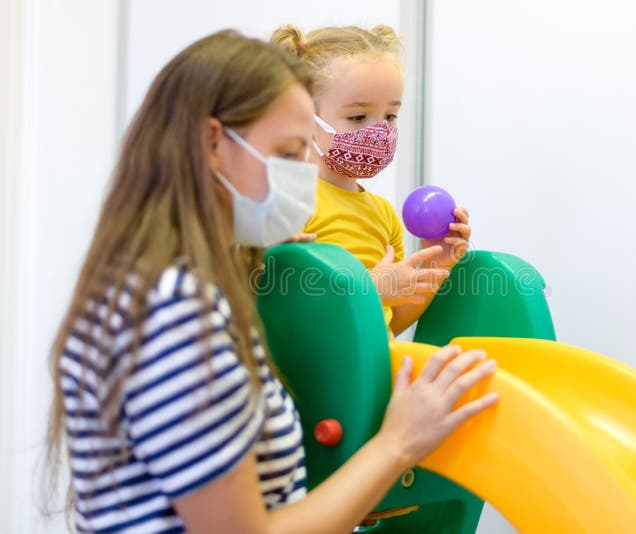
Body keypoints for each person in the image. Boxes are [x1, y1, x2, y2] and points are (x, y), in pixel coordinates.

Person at [45, 30, 498, 533]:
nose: (304, 176)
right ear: (215, 144)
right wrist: (397, 445)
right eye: (287, 154)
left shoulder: (174, 294)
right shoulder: (174, 315)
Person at [271, 25, 472, 336]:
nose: (379, 132)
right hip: (324, 377)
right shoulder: (288, 204)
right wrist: (369, 289)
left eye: (390, 116)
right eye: (358, 117)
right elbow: (282, 316)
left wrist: (439, 261)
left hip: (378, 364)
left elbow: (391, 321)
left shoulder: (383, 215)